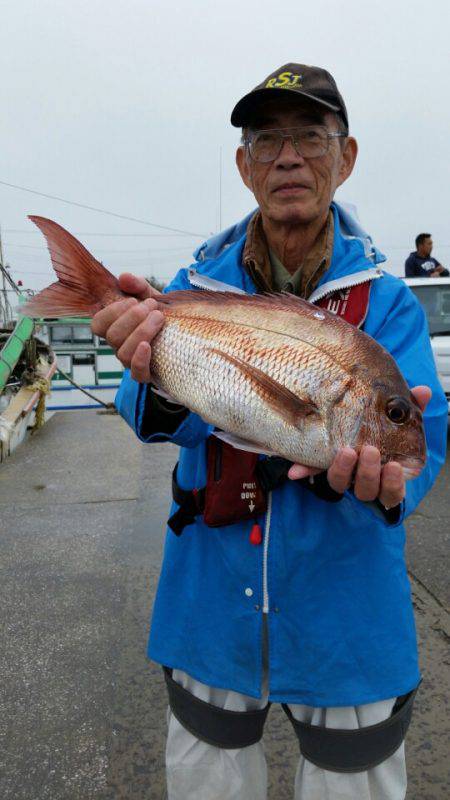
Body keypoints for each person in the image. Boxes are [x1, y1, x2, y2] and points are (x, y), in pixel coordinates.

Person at [91, 63, 448, 800]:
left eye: (311, 137)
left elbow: (425, 437)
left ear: (345, 158)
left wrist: (387, 487)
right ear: (244, 166)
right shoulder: (193, 289)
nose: (289, 157)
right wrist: (150, 375)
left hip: (351, 619)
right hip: (209, 605)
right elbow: (145, 406)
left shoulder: (389, 302)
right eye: (267, 140)